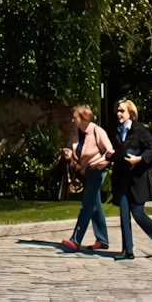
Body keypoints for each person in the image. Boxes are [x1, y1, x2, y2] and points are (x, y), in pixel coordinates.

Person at [108, 99, 152, 260]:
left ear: (131, 113)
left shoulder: (139, 129)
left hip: (138, 178)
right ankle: (128, 250)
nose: (119, 114)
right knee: (124, 213)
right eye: (118, 111)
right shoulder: (116, 131)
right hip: (122, 178)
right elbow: (117, 152)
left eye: (122, 111)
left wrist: (139, 159)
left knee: (138, 213)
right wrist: (108, 157)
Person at [60, 104, 114, 252]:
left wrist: (104, 162)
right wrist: (70, 154)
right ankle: (102, 240)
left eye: (75, 117)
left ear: (83, 117)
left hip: (97, 171)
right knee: (95, 206)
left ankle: (75, 240)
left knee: (87, 205)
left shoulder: (97, 131)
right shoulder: (80, 133)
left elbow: (110, 151)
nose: (73, 120)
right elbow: (80, 153)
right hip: (86, 174)